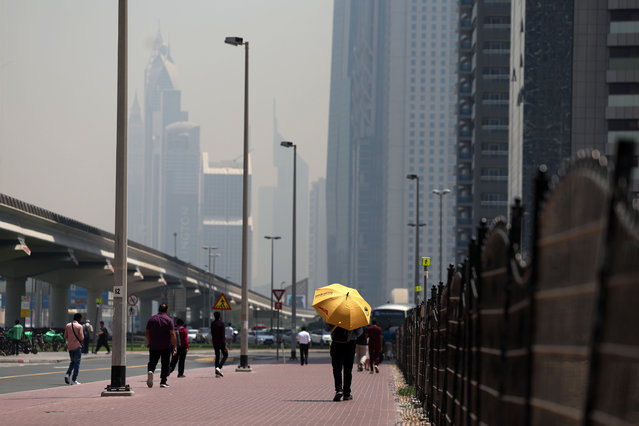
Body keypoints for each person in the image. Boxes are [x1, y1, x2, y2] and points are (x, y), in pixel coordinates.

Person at [326, 323, 363, 401]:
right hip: (350, 344)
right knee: (348, 369)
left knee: (337, 368)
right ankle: (346, 393)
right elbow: (359, 332)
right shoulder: (354, 317)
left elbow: (327, 328)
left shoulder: (333, 315)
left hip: (336, 343)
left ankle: (339, 390)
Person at [145, 303, 177, 388]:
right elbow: (172, 334)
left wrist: (149, 342)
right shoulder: (169, 320)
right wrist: (175, 346)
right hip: (165, 346)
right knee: (165, 364)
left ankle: (151, 371)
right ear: (166, 310)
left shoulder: (152, 319)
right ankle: (163, 381)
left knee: (152, 361)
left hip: (153, 345)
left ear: (158, 310)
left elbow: (147, 332)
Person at [63, 313, 84, 385]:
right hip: (77, 347)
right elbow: (81, 338)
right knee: (77, 364)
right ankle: (73, 380)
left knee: (72, 362)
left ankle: (67, 374)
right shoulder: (79, 326)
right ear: (79, 319)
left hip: (70, 347)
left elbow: (65, 336)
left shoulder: (68, 325)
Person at [210, 311, 227, 377]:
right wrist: (225, 345)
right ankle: (219, 367)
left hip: (215, 342)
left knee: (217, 356)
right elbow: (223, 335)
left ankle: (217, 373)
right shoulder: (221, 324)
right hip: (221, 342)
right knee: (225, 355)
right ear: (219, 316)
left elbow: (212, 333)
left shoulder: (212, 323)